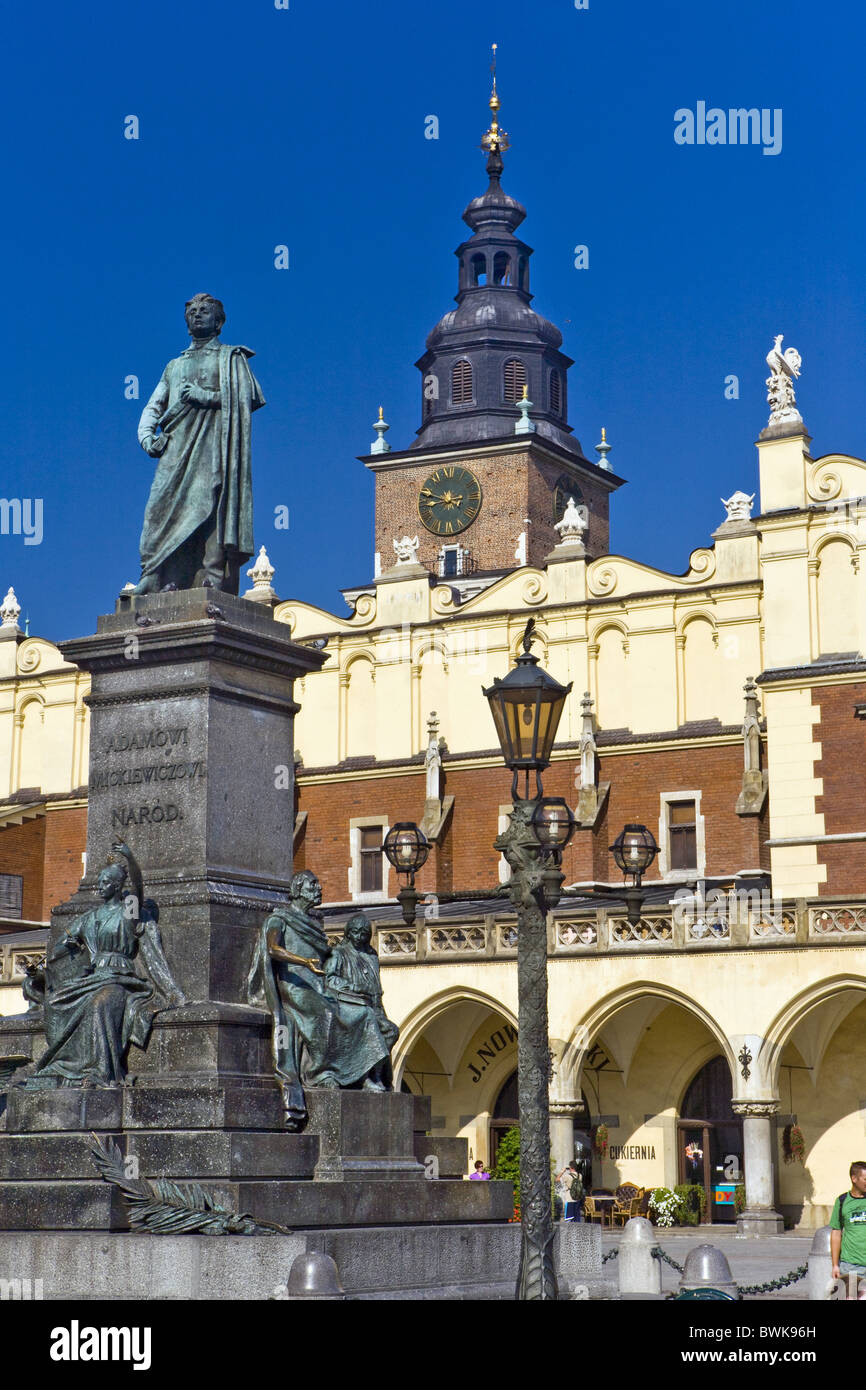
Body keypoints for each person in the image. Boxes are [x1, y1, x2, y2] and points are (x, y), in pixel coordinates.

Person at [132, 293, 265, 594]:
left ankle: (211, 575)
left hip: (215, 446)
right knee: (158, 511)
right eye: (192, 311)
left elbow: (247, 398)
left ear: (219, 322)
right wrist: (146, 436)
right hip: (175, 448)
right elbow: (153, 406)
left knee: (211, 504)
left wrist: (206, 397)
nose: (197, 314)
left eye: (206, 311)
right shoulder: (174, 365)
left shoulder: (231, 358)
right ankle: (155, 573)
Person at [830, 1160, 866, 1282]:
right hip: (851, 1266)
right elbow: (836, 1233)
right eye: (865, 1179)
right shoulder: (842, 1201)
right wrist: (835, 1265)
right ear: (854, 1179)